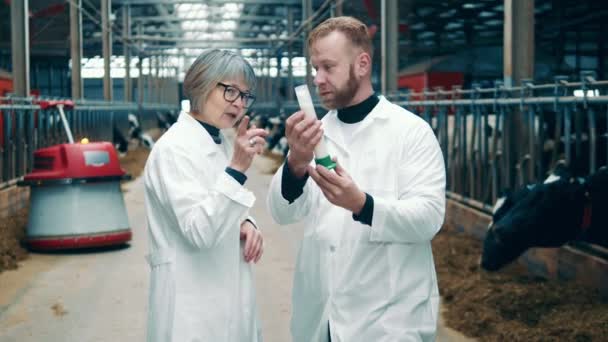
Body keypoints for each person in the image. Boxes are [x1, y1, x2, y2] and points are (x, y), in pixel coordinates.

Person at [267, 17, 446, 341]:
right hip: (321, 321)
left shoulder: (410, 133)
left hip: (387, 323)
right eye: (314, 68)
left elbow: (429, 219)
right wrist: (295, 161)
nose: (318, 79)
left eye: (328, 67)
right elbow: (282, 213)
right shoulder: (317, 135)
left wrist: (363, 205)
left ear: (362, 64)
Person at [144, 49, 267, 342]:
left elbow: (219, 202)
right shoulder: (174, 149)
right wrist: (237, 168)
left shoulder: (218, 141)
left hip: (225, 298)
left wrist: (247, 223)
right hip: (191, 308)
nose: (239, 104)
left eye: (245, 96)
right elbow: (199, 231)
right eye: (230, 91)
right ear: (202, 84)